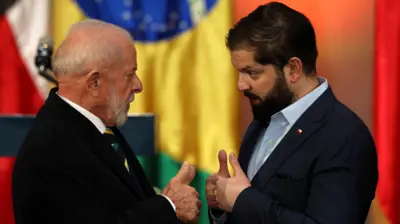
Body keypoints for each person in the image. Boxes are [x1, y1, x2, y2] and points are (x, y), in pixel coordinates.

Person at [12, 19, 201, 224]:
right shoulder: (51, 151)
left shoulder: (95, 127)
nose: (138, 85)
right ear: (95, 83)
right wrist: (168, 205)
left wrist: (163, 204)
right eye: (130, 75)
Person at [205, 2, 378, 224]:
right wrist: (222, 205)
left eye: (252, 73)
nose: (241, 85)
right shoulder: (262, 120)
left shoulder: (344, 136)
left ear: (293, 69)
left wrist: (242, 199)